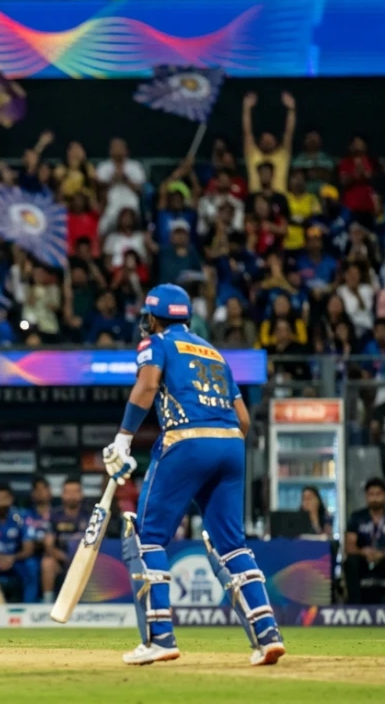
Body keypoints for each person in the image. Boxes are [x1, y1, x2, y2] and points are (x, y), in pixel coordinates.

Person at [103, 283, 284, 666]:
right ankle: (267, 636)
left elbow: (147, 385)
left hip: (186, 440)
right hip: (232, 444)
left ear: (153, 317)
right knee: (231, 545)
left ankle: (159, 638)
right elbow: (243, 419)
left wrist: (123, 440)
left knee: (147, 538)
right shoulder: (214, 353)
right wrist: (217, 449)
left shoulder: (156, 343)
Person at [343, 478, 385, 604]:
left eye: (378, 494)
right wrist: (364, 552)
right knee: (350, 562)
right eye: (371, 494)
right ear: (366, 496)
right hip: (363, 559)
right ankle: (354, 604)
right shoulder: (357, 517)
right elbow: (349, 546)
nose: (375, 498)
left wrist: (383, 554)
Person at [41, 478, 90, 603]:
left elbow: (99, 543)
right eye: (68, 492)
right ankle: (48, 601)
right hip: (60, 559)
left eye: (75, 492)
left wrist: (79, 559)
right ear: (62, 494)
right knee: (47, 563)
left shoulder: (91, 515)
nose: (71, 496)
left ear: (81, 494)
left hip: (84, 561)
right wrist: (64, 557)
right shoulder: (53, 515)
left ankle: (91, 603)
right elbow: (48, 544)